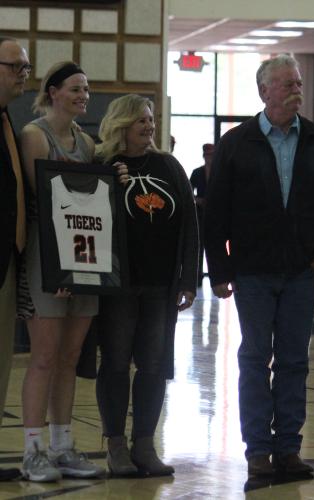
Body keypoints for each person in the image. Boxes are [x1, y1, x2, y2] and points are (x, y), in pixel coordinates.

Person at [204, 54, 314, 477]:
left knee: (293, 361)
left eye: (298, 83)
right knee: (254, 357)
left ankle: (288, 448)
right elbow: (216, 214)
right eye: (286, 84)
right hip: (252, 270)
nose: (295, 90)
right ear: (264, 91)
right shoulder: (235, 142)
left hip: (302, 270)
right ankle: (257, 451)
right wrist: (221, 271)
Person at [95, 94, 198, 477]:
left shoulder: (169, 166)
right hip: (118, 285)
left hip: (160, 285)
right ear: (121, 123)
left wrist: (188, 277)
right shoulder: (103, 165)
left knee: (154, 365)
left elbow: (190, 225)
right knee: (117, 363)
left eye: (151, 119)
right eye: (141, 120)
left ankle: (144, 444)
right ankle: (116, 446)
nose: (149, 126)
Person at [18, 61, 105, 482]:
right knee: (44, 357)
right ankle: (32, 450)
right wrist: (60, 271)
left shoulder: (87, 142)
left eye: (86, 89)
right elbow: (48, 203)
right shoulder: (35, 135)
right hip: (47, 258)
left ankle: (62, 445)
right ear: (52, 92)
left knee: (70, 358)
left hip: (84, 256)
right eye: (74, 88)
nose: (82, 95)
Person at [0, 36, 30, 482]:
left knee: (2, 359)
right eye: (16, 66)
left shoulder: (10, 119)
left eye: (26, 67)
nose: (25, 73)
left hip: (8, 258)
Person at [190, 143, 214, 286]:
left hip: (216, 215)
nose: (209, 158)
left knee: (213, 246)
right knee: (198, 247)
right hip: (200, 213)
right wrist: (198, 200)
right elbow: (189, 192)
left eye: (211, 155)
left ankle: (215, 277)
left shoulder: (220, 171)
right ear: (204, 156)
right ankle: (197, 278)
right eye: (207, 155)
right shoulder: (197, 172)